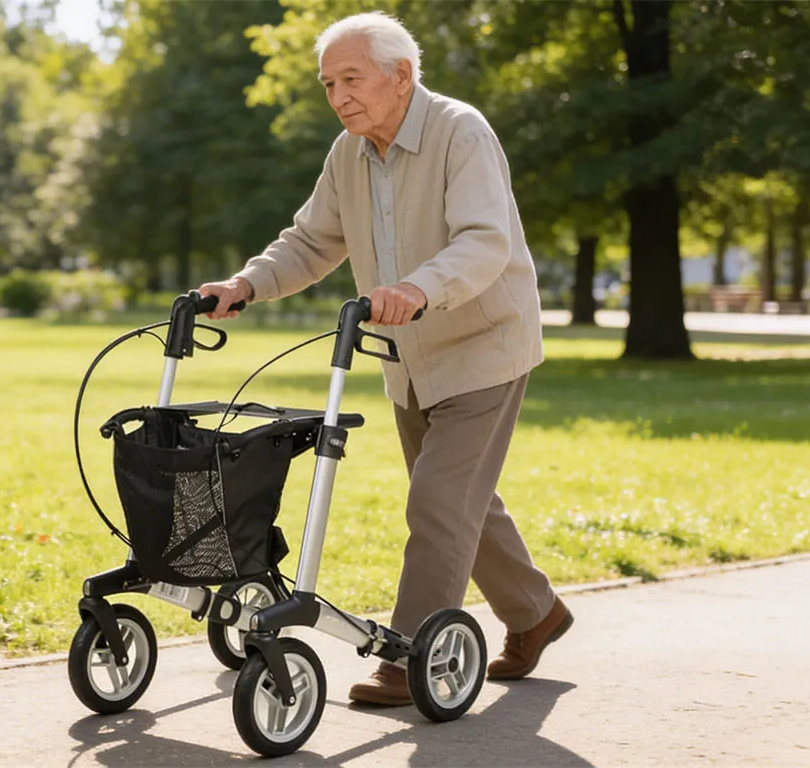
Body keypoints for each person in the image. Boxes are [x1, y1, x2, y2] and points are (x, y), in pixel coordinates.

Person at [196, 11, 571, 706]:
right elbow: (310, 243)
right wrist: (246, 284)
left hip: (483, 345)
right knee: (461, 502)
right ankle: (536, 612)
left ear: (401, 77)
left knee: (438, 501)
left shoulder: (462, 131)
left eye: (351, 78)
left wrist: (418, 288)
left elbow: (486, 241)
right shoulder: (349, 154)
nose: (339, 96)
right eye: (328, 83)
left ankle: (408, 655)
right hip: (408, 354)